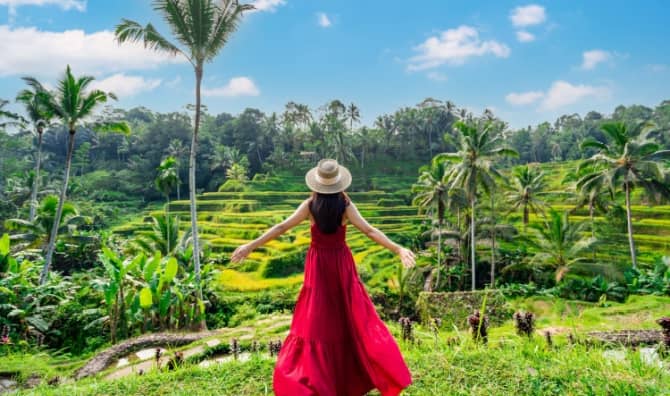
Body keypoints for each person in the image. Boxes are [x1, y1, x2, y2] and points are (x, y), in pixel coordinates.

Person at [231, 158, 415, 396]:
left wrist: (251, 245)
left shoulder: (310, 206)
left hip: (318, 265)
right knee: (347, 315)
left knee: (318, 320)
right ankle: (350, 375)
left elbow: (281, 228)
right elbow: (369, 230)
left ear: (316, 184)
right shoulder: (346, 206)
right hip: (341, 264)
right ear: (339, 184)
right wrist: (397, 248)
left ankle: (321, 377)